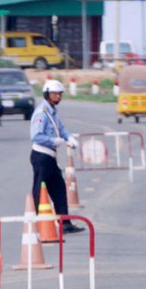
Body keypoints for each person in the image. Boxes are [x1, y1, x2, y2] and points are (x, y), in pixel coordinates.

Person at [30, 80, 83, 234]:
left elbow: (60, 127)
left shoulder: (51, 111)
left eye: (60, 94)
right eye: (54, 94)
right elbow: (36, 136)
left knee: (59, 188)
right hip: (41, 155)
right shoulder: (42, 113)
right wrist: (54, 141)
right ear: (47, 94)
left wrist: (69, 138)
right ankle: (38, 223)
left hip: (50, 156)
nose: (58, 96)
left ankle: (65, 223)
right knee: (39, 190)